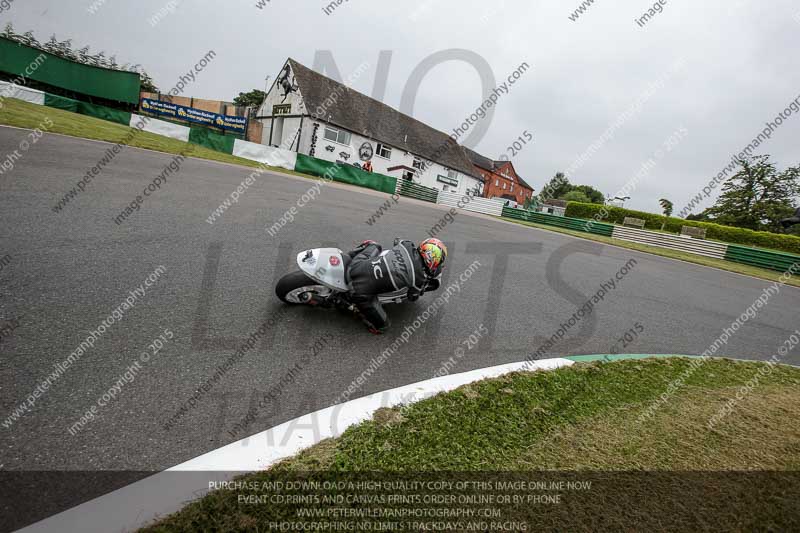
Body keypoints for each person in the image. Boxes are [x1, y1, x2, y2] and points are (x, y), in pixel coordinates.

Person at [345, 238, 447, 334]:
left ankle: (348, 257)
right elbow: (412, 297)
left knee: (374, 244)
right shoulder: (419, 279)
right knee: (384, 327)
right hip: (359, 291)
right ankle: (357, 310)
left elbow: (397, 240)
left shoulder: (407, 244)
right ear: (434, 260)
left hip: (355, 265)